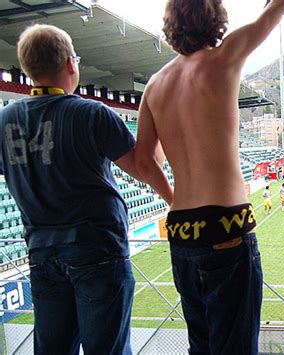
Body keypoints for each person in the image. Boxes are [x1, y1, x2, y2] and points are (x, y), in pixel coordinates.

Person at [134, 1, 284, 353]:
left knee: (202, 345)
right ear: (215, 18)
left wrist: (174, 198)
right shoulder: (225, 58)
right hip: (226, 226)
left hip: (181, 228)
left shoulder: (155, 84)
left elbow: (145, 161)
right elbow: (276, 10)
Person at [0, 24, 173, 354]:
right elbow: (146, 167)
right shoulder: (91, 113)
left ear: (27, 68)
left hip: (41, 252)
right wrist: (158, 124)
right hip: (97, 249)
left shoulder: (5, 120)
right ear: (70, 63)